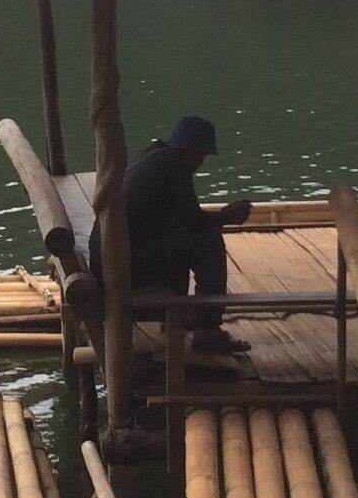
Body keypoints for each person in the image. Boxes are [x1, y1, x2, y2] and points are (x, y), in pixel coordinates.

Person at [90, 114, 251, 354]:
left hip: (107, 258)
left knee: (182, 240)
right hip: (120, 266)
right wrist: (227, 216)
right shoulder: (174, 166)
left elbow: (182, 219)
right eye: (202, 156)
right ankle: (208, 330)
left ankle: (181, 314)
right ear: (192, 151)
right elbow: (195, 222)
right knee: (209, 241)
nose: (202, 163)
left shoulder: (154, 155)